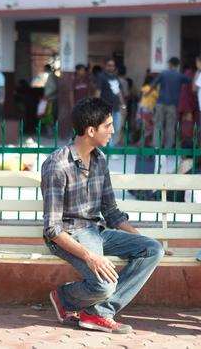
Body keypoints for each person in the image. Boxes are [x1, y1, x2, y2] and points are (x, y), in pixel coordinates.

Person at [42, 97, 164, 334]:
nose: (113, 130)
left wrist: (141, 239)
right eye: (108, 125)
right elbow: (53, 229)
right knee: (105, 285)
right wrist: (91, 257)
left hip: (96, 232)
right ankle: (65, 297)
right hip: (68, 235)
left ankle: (98, 313)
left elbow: (112, 213)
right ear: (90, 130)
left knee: (153, 249)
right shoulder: (57, 165)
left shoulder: (100, 159)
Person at [151, 57, 190, 148]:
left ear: (170, 64)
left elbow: (153, 85)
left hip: (160, 102)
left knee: (158, 125)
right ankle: (168, 147)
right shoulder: (180, 76)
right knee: (170, 126)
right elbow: (189, 81)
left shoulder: (163, 74)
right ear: (177, 65)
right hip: (173, 104)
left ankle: (157, 146)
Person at [94, 59, 126, 146]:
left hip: (116, 108)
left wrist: (123, 105)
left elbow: (119, 92)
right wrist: (95, 105)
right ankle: (109, 149)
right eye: (109, 65)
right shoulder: (101, 77)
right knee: (108, 129)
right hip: (105, 108)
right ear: (105, 66)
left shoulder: (116, 78)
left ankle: (111, 146)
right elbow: (98, 91)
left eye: (112, 65)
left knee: (117, 128)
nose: (111, 67)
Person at [137, 72, 159, 146]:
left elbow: (140, 98)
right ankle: (142, 142)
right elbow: (157, 98)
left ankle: (143, 142)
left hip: (142, 109)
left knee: (145, 127)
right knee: (149, 127)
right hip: (148, 110)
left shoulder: (144, 88)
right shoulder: (153, 90)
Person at [178, 65, 197, 141]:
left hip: (181, 104)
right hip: (188, 104)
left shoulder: (181, 78)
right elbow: (193, 91)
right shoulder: (191, 77)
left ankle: (182, 140)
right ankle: (187, 140)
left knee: (182, 122)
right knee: (188, 121)